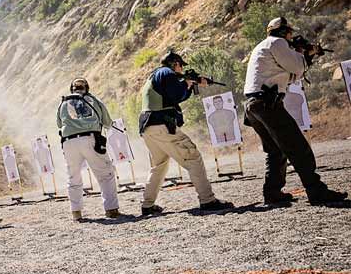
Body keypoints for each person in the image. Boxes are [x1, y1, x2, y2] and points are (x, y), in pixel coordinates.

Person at [243, 17, 348, 205]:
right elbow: (298, 67)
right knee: (298, 147)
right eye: (289, 33)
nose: (291, 36)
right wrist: (304, 53)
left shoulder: (265, 46)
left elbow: (291, 77)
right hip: (267, 103)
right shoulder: (278, 43)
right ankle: (316, 191)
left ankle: (272, 192)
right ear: (284, 32)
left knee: (276, 150)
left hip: (255, 105)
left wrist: (305, 55)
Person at [138, 51, 234, 215]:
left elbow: (175, 95)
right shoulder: (167, 73)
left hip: (148, 126)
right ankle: (208, 200)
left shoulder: (155, 75)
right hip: (162, 124)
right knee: (193, 157)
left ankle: (147, 205)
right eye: (181, 65)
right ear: (175, 63)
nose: (182, 69)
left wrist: (189, 84)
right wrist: (188, 83)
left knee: (159, 165)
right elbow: (176, 95)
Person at [57, 78, 122, 221]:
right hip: (90, 138)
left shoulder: (63, 102)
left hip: (68, 142)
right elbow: (107, 122)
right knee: (105, 174)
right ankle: (111, 209)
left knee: (73, 177)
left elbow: (59, 123)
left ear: (71, 88)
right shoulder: (93, 100)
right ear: (87, 88)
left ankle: (76, 212)